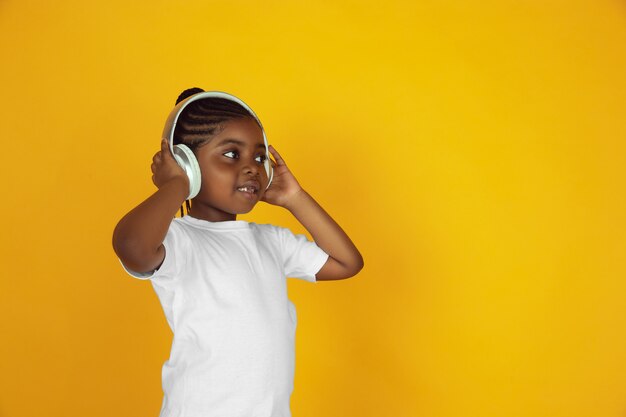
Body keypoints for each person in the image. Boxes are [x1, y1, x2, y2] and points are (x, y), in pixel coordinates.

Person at [112, 87, 364, 417]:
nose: (252, 168)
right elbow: (131, 246)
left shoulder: (271, 241)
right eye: (232, 154)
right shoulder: (179, 241)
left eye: (260, 158)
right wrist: (177, 185)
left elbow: (348, 262)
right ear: (189, 165)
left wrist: (294, 198)